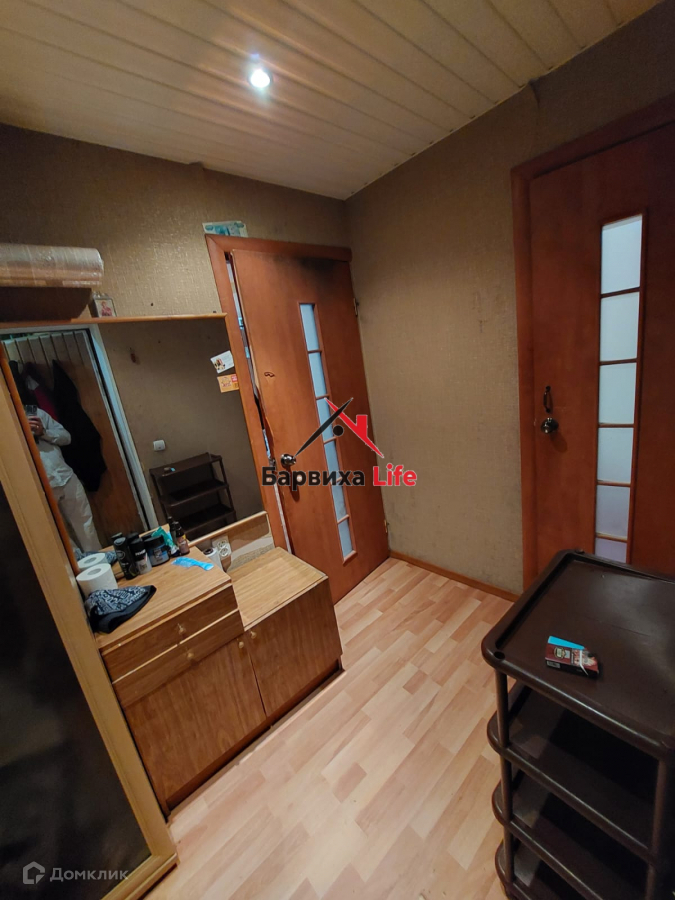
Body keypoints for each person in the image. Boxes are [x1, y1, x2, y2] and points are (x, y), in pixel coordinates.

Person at [27, 408, 101, 553]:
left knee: (86, 524)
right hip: (39, 487)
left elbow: (66, 437)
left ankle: (98, 560)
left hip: (65, 476)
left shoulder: (35, 412)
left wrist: (43, 432)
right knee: (57, 533)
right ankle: (75, 564)